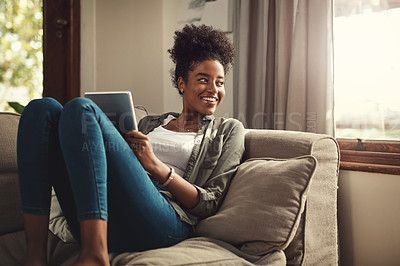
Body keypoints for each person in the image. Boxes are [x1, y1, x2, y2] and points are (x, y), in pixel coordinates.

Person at [17, 24, 245, 266]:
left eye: (220, 83)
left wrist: (155, 165)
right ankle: (35, 257)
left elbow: (209, 202)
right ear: (181, 83)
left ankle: (95, 255)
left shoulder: (228, 130)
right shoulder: (150, 123)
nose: (213, 89)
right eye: (203, 79)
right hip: (111, 209)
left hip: (166, 220)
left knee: (80, 109)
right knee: (41, 110)